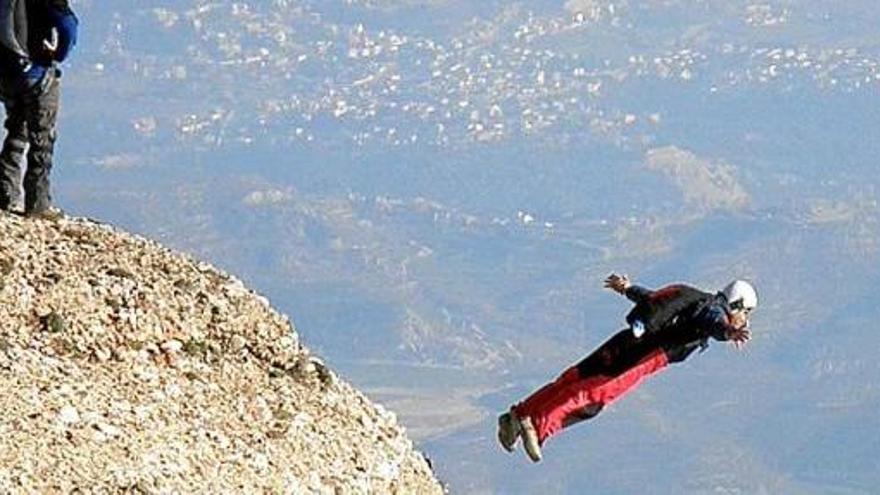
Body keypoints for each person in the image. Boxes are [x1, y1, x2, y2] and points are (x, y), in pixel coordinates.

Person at [497, 273, 756, 462]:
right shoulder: (714, 312)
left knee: (575, 377)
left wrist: (628, 289)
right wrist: (729, 331)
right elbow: (712, 321)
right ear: (737, 304)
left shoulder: (693, 296)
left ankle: (518, 415)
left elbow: (653, 299)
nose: (745, 319)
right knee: (594, 395)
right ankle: (538, 423)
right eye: (746, 313)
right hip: (646, 355)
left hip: (628, 338)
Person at [0, 0, 78, 219]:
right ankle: (37, 203)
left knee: (16, 131)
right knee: (42, 139)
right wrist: (58, 55)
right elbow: (68, 26)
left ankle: (5, 194)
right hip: (37, 72)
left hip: (7, 75)